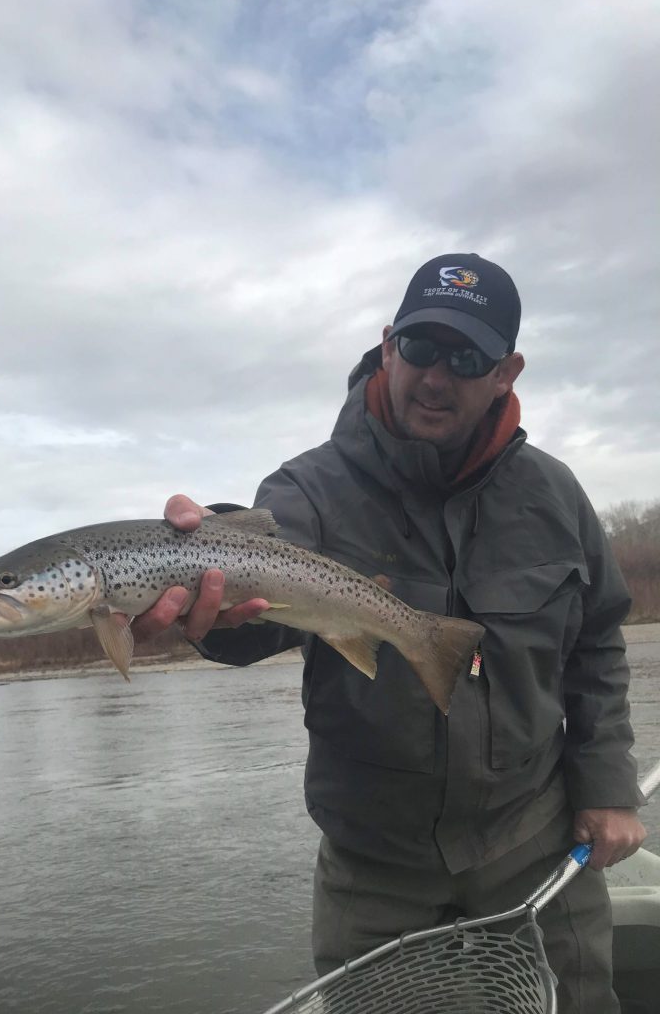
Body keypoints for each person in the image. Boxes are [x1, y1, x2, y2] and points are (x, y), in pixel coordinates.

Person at [134, 253, 647, 1012]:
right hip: (374, 867)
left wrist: (609, 786)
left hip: (533, 840)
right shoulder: (310, 488)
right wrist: (199, 583)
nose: (436, 375)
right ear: (386, 345)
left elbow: (598, 642)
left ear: (507, 372)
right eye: (419, 347)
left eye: (466, 357)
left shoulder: (554, 495)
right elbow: (256, 611)